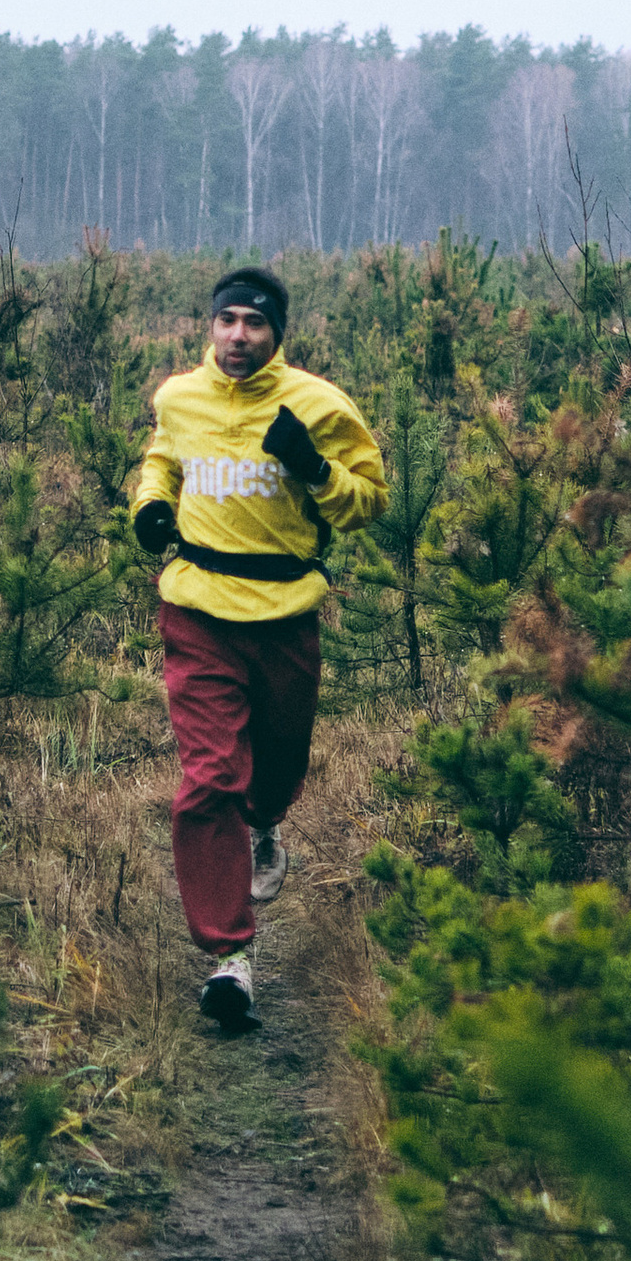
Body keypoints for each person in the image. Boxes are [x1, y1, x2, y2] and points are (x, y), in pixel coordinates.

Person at [129, 262, 385, 1030]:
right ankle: (229, 960)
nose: (238, 336)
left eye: (254, 323)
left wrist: (311, 466)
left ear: (277, 333)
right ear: (209, 327)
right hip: (198, 610)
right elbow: (163, 459)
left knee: (274, 769)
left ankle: (267, 820)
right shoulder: (179, 397)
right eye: (226, 321)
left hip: (284, 614)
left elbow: (369, 501)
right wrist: (150, 506)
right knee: (209, 780)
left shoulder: (317, 405)